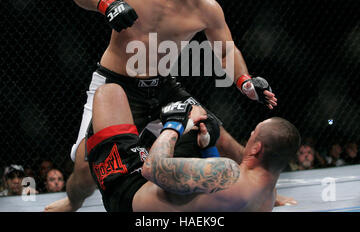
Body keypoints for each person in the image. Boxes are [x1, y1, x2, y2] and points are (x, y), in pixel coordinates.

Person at [45, 0, 277, 211]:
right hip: (115, 84)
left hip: (162, 86)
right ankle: (72, 202)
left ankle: (259, 190)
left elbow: (227, 50)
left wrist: (244, 81)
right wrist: (107, 5)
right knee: (85, 167)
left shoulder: (206, 7)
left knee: (219, 132)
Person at [86, 83, 300, 212]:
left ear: (256, 149)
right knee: (206, 130)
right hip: (156, 197)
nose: (249, 137)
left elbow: (151, 169)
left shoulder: (228, 173)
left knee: (109, 92)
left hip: (126, 190)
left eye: (253, 134)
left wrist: (174, 124)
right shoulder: (267, 197)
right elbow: (212, 197)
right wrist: (206, 149)